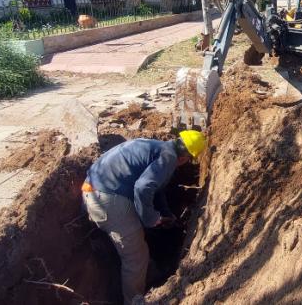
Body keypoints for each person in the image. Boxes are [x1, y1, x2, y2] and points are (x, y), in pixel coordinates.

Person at [81, 130, 207, 303]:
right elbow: (143, 187)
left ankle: (148, 274)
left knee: (138, 238)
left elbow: (156, 188)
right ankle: (134, 300)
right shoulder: (169, 158)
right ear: (185, 158)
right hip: (106, 200)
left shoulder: (159, 148)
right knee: (135, 256)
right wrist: (150, 219)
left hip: (95, 189)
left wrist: (165, 213)